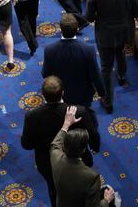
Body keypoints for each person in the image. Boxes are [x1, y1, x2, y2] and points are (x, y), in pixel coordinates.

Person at [21, 76, 100, 207]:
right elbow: (93, 135)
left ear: (43, 94)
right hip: (79, 161)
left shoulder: (32, 116)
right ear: (63, 92)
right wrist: (95, 148)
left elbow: (26, 145)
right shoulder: (79, 111)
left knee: (55, 190)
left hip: (48, 164)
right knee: (84, 188)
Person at [85, 0, 138, 112]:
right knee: (121, 51)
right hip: (125, 32)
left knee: (106, 67)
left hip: (105, 35)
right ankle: (122, 77)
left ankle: (108, 102)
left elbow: (89, 17)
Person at [50, 106, 114, 207]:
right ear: (83, 150)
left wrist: (66, 124)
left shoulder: (55, 158)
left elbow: (55, 144)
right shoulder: (91, 177)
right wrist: (106, 200)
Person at [42, 13, 104, 108]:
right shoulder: (88, 50)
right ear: (77, 29)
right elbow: (96, 75)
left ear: (61, 30)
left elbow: (45, 74)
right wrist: (102, 93)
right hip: (83, 95)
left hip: (60, 95)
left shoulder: (50, 50)